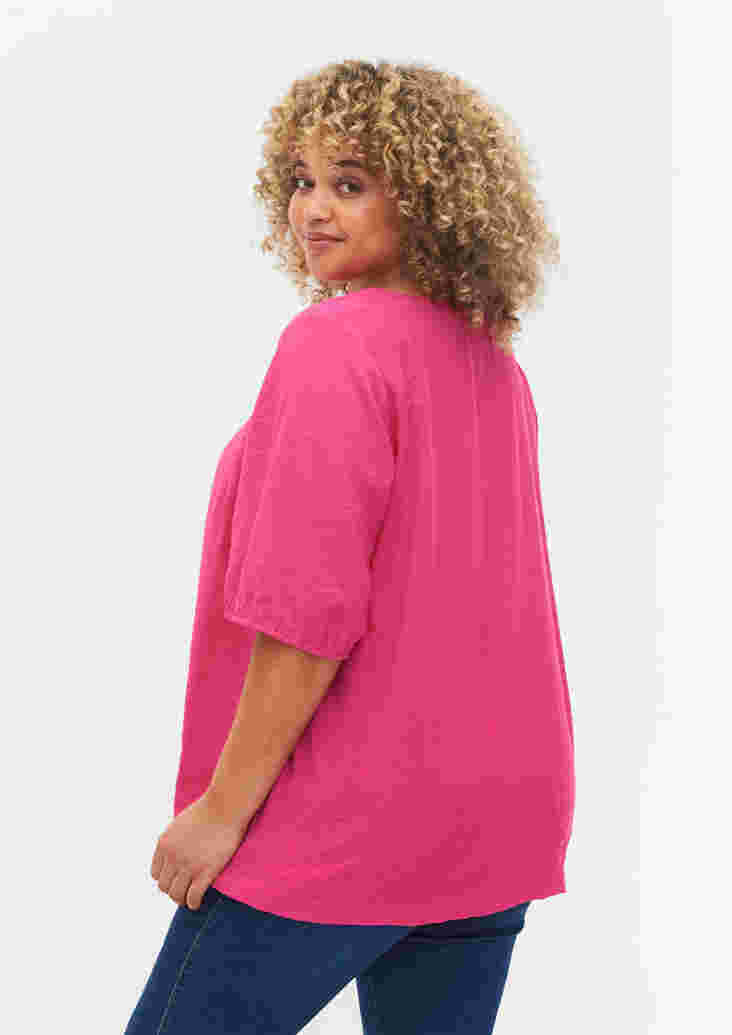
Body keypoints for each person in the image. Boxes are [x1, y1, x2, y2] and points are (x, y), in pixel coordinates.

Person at [124, 58, 574, 1035]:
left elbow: (307, 614)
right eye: (300, 179)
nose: (312, 208)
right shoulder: (491, 364)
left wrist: (219, 813)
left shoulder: (335, 345)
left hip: (346, 819)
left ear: (427, 196)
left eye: (351, 182)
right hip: (493, 821)